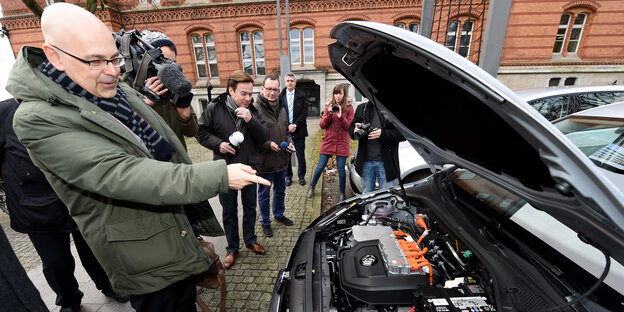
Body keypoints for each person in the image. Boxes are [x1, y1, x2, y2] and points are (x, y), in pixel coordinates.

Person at [7, 4, 269, 312]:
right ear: (54, 56)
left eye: (114, 58)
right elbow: (122, 174)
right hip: (143, 255)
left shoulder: (109, 88)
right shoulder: (37, 119)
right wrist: (220, 175)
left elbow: (166, 146)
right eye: (94, 61)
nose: (112, 70)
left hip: (173, 225)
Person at [0, 98, 128, 311]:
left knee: (95, 248)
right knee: (55, 262)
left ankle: (109, 285)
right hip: (35, 206)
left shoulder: (66, 102)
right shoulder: (5, 113)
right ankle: (69, 300)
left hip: (77, 196)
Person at [196, 70, 269, 269]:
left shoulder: (253, 111)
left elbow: (263, 137)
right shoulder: (214, 108)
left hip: (248, 168)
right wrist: (218, 144)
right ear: (230, 91)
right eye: (243, 94)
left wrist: (250, 120)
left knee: (250, 208)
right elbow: (200, 132)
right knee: (228, 211)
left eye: (250, 93)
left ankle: (251, 239)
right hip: (224, 169)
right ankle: (232, 248)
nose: (247, 98)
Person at [141, 30, 198, 151]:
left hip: (179, 163)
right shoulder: (133, 89)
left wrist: (185, 116)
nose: (170, 68)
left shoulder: (176, 87)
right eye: (163, 61)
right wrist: (146, 105)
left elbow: (192, 132)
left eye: (173, 63)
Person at [255, 76, 295, 237]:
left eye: (275, 90)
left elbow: (286, 132)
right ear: (262, 88)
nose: (272, 93)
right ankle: (265, 221)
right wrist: (267, 144)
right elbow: (253, 137)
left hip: (282, 160)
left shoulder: (282, 108)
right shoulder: (255, 109)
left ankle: (278, 214)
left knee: (280, 190)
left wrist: (290, 142)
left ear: (279, 90)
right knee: (264, 194)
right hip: (264, 162)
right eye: (269, 89)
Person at [307, 84, 354, 201]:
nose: (338, 96)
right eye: (336, 93)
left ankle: (342, 192)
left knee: (341, 169)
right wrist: (328, 114)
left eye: (340, 93)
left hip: (342, 142)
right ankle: (312, 186)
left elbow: (349, 127)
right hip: (328, 141)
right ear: (333, 94)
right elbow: (322, 125)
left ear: (344, 95)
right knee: (320, 166)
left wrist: (340, 116)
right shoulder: (329, 106)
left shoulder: (349, 108)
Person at [349, 101, 405, 193]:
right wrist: (354, 130)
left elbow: (403, 134)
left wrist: (383, 134)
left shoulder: (392, 110)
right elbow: (351, 129)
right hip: (365, 163)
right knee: (367, 197)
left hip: (386, 165)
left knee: (387, 197)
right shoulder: (362, 108)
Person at [279, 73, 308, 186]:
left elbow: (305, 112)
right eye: (288, 81)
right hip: (285, 132)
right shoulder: (280, 97)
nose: (290, 82)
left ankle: (301, 176)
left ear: (295, 82)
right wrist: (287, 126)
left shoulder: (302, 95)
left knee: (300, 155)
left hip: (299, 130)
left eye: (292, 80)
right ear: (285, 82)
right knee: (287, 156)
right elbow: (279, 113)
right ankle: (288, 176)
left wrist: (295, 125)